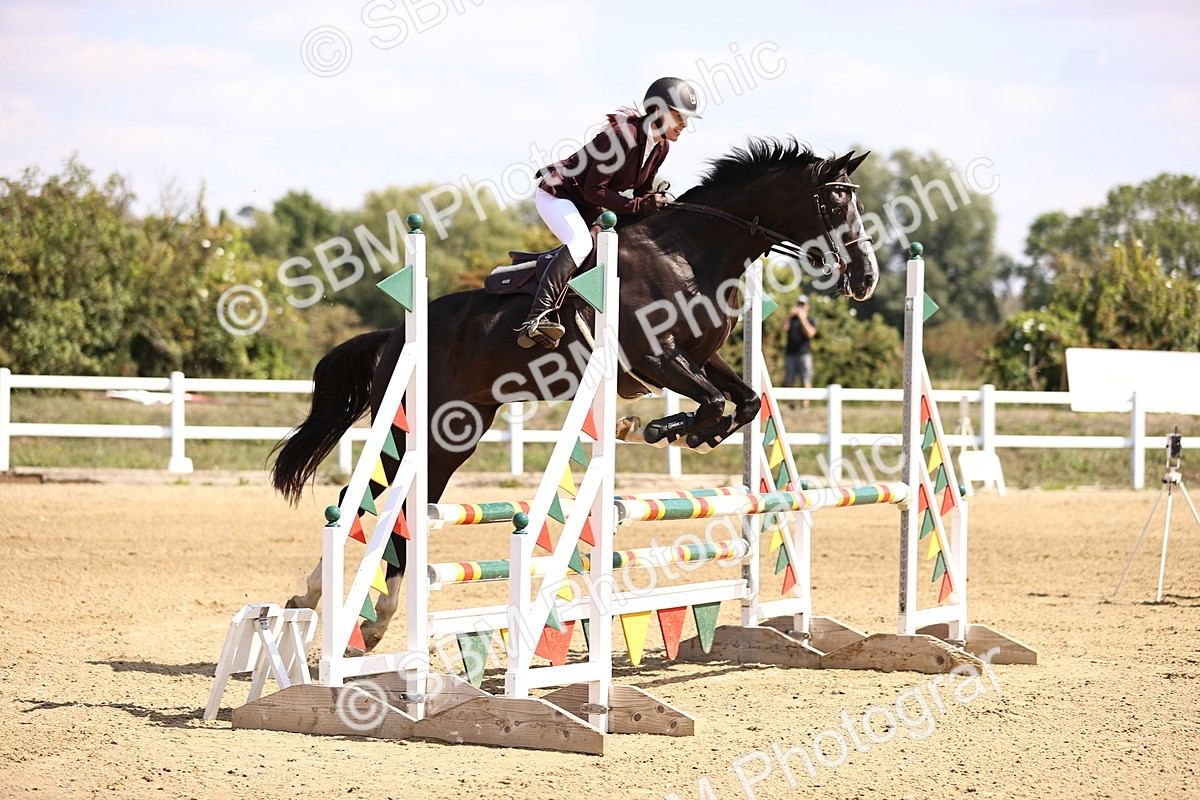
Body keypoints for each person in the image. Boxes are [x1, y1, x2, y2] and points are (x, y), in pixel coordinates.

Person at [516, 77, 702, 349]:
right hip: (558, 195)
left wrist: (660, 208)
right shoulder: (622, 137)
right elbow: (595, 191)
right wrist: (638, 206)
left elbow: (642, 191)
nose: (685, 124)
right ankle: (538, 316)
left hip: (587, 203)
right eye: (679, 116)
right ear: (658, 111)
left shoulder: (661, 147)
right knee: (580, 243)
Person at [783, 294, 817, 407]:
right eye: (799, 304)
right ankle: (791, 402)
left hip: (804, 353)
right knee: (790, 378)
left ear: (807, 306)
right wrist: (789, 315)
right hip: (790, 353)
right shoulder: (791, 319)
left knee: (805, 378)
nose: (800, 307)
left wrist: (803, 318)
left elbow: (810, 333)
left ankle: (805, 403)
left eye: (803, 305)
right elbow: (783, 328)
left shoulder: (810, 320)